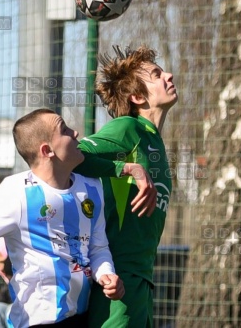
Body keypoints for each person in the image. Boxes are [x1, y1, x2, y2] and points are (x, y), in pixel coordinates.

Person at [0, 108, 125, 328]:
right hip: (37, 322)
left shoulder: (91, 187)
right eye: (64, 129)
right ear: (47, 150)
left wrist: (107, 275)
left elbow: (98, 248)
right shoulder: (16, 193)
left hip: (83, 318)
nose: (76, 132)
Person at [74, 45, 178, 327]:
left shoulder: (152, 140)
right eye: (156, 75)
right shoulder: (127, 128)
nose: (168, 75)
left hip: (142, 280)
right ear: (137, 96)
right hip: (117, 280)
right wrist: (126, 168)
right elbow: (70, 154)